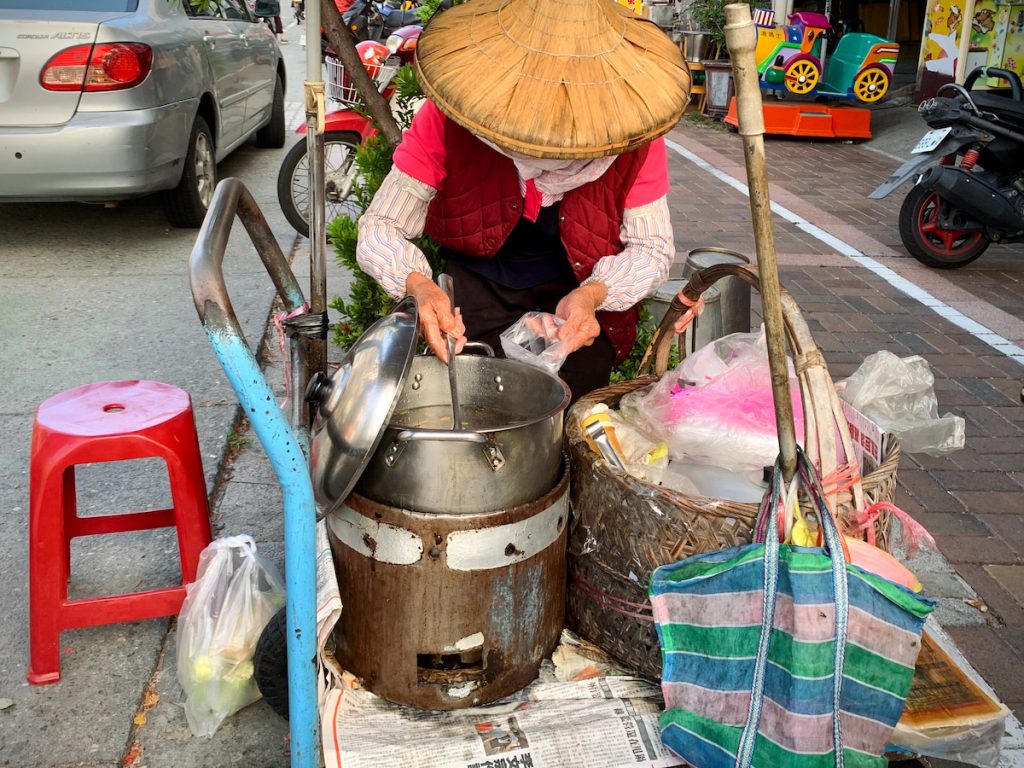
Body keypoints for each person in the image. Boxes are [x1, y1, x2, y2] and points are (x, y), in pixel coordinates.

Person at [356, 0, 690, 401]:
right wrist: (419, 287)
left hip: (575, 303)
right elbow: (381, 227)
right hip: (475, 296)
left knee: (570, 410)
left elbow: (652, 250)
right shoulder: (450, 118)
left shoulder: (634, 135)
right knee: (467, 399)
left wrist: (592, 296)